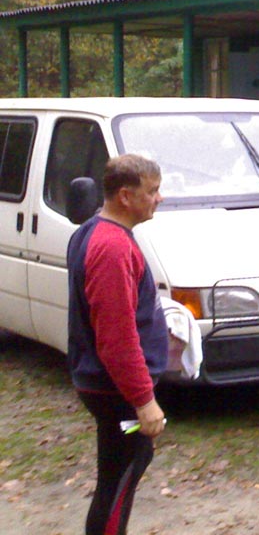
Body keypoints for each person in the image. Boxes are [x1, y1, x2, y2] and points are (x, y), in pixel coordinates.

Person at [67, 154, 168, 535]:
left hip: (106, 386)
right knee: (120, 477)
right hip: (117, 394)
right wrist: (143, 400)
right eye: (152, 191)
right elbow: (116, 338)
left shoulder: (93, 231)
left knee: (119, 474)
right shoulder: (111, 248)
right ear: (125, 196)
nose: (159, 198)